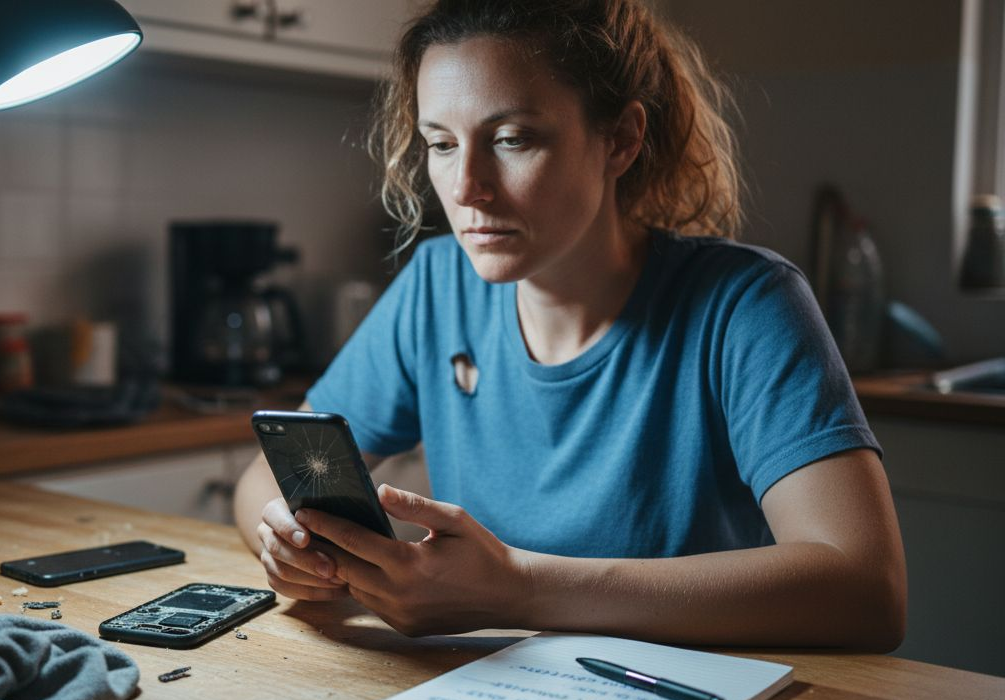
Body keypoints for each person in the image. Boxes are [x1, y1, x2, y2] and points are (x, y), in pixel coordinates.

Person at [233, 0, 906, 650]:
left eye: (511, 139)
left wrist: (519, 590)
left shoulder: (745, 303)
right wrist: (294, 548)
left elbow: (866, 588)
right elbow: (265, 480)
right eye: (441, 144)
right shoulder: (436, 287)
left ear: (620, 140)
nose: (467, 187)